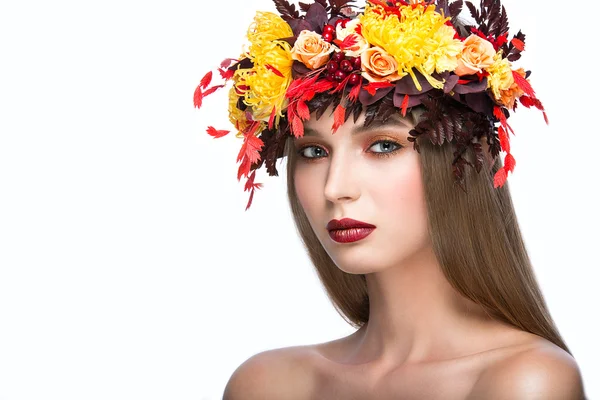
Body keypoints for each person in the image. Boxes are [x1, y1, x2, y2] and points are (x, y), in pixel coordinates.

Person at [194, 0, 587, 398]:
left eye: (382, 145)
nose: (335, 188)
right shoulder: (267, 385)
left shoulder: (524, 381)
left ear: (463, 160)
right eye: (314, 151)